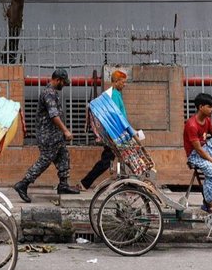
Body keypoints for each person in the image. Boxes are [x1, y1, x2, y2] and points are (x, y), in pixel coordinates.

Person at [14, 67, 80, 203]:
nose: (64, 85)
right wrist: (66, 131)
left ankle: (63, 185)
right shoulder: (48, 93)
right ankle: (23, 184)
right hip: (48, 136)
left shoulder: (52, 92)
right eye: (63, 82)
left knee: (63, 156)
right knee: (44, 160)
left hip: (55, 136)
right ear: (57, 80)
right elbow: (54, 115)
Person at [77, 69, 128, 192]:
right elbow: (115, 116)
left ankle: (123, 183)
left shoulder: (116, 94)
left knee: (120, 159)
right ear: (116, 82)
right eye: (123, 82)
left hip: (116, 133)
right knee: (107, 161)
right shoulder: (114, 94)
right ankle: (85, 183)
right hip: (115, 134)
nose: (124, 84)